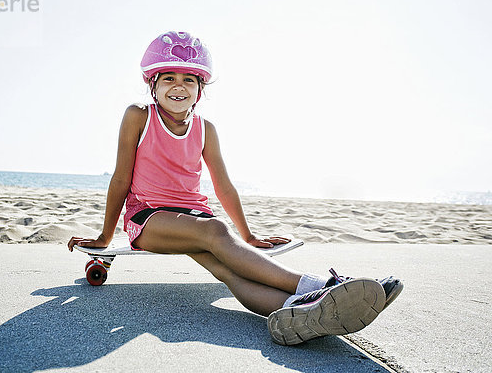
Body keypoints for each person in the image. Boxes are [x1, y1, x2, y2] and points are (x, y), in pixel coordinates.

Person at [68, 31, 403, 345]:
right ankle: (321, 287)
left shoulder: (205, 128)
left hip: (194, 218)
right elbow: (121, 178)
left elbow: (224, 186)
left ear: (201, 88)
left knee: (227, 271)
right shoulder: (138, 117)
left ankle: (302, 313)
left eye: (189, 79)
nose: (178, 86)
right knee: (215, 229)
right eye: (168, 78)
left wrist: (248, 236)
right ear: (152, 84)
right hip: (149, 218)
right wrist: (105, 237)